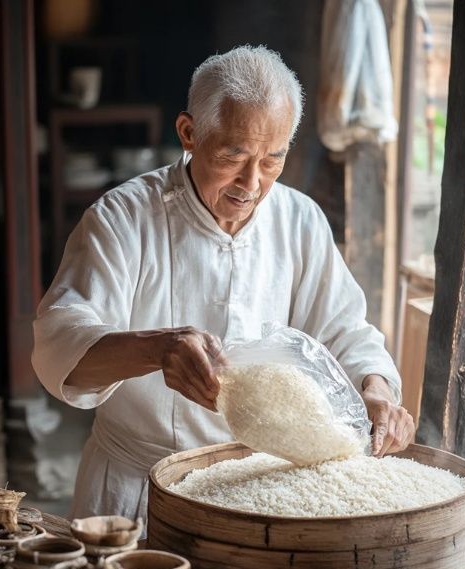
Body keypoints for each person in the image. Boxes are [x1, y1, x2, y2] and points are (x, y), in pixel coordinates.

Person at [32, 45, 414, 524]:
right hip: (136, 489)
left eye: (272, 160)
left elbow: (345, 331)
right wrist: (159, 348)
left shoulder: (300, 221)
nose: (251, 183)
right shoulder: (122, 219)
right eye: (234, 155)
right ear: (189, 133)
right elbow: (58, 346)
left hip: (259, 490)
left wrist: (375, 389)